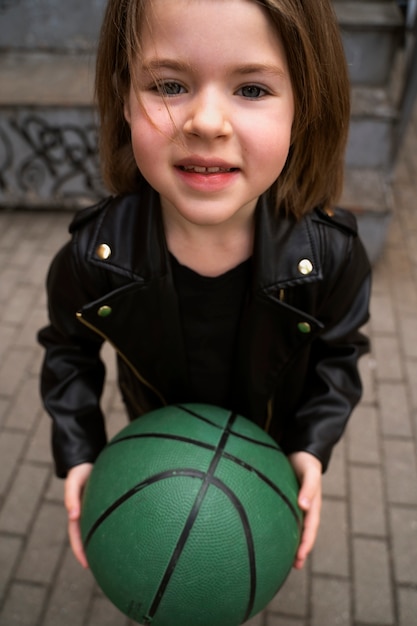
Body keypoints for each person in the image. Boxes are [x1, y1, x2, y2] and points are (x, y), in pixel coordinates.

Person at [38, 0, 371, 575]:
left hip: (267, 449)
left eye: (252, 90)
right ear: (124, 96)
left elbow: (338, 357)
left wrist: (309, 448)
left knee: (229, 572)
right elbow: (68, 350)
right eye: (169, 84)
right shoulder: (94, 257)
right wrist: (81, 450)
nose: (206, 122)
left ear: (304, 105)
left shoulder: (330, 257)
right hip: (158, 448)